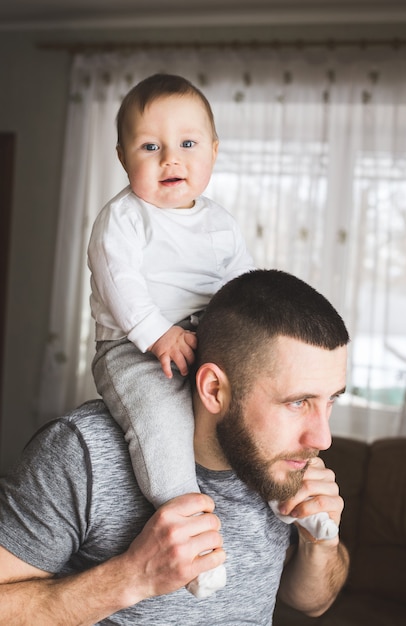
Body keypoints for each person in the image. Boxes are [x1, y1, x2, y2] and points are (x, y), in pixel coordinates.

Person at [0, 269, 350, 625]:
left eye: (331, 400)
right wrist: (131, 578)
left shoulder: (280, 468)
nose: (322, 439)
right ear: (214, 389)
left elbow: (312, 602)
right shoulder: (84, 452)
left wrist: (319, 544)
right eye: (298, 402)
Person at [87, 74, 254, 595]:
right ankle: (193, 541)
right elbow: (121, 283)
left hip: (208, 340)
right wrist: (158, 334)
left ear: (214, 151)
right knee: (162, 426)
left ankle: (285, 494)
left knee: (257, 404)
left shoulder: (221, 225)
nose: (170, 159)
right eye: (150, 146)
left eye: (187, 144)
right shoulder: (123, 218)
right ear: (122, 156)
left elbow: (244, 289)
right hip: (136, 349)